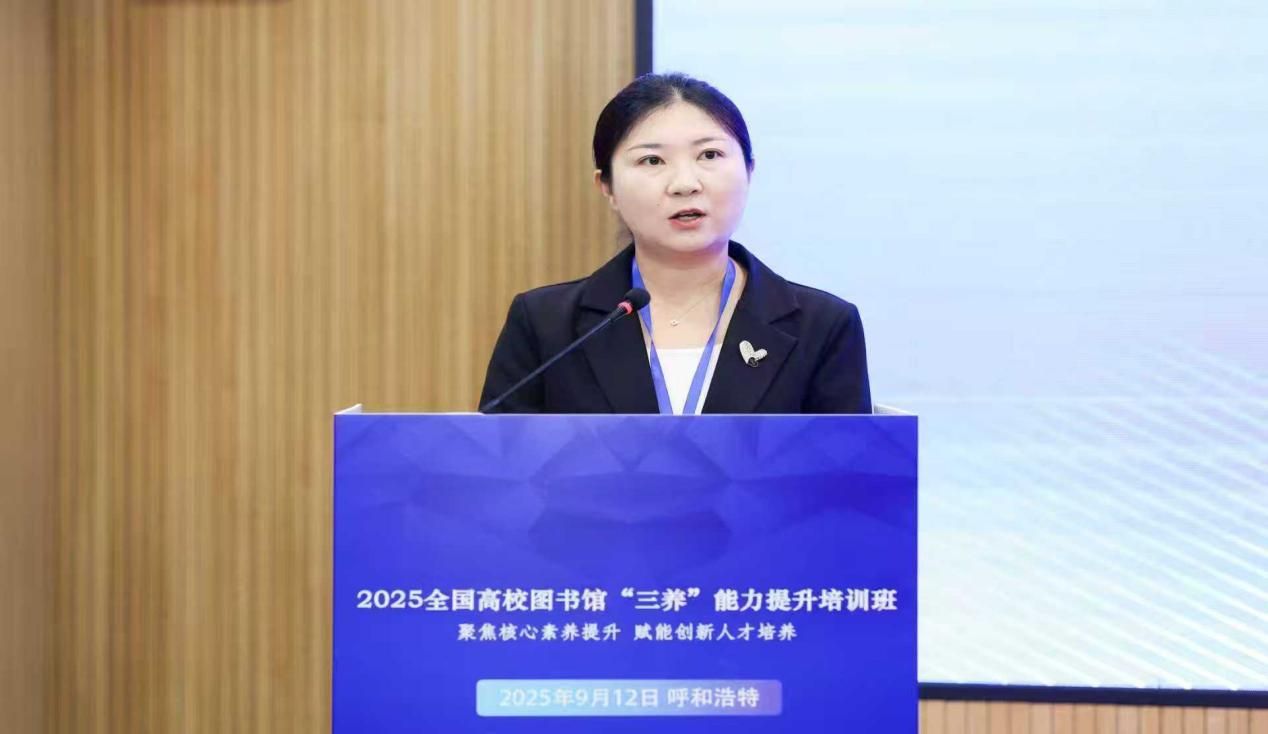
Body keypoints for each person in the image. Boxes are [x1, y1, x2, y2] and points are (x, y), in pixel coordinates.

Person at [479, 72, 871, 414]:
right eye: (652, 161)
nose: (685, 183)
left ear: (749, 170)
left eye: (710, 155)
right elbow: (499, 465)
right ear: (607, 186)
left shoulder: (823, 327)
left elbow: (847, 473)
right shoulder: (546, 326)